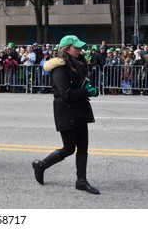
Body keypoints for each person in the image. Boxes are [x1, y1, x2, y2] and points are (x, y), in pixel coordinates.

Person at [32, 35, 100, 194]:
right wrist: (85, 91)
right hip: (66, 110)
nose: (80, 50)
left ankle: (81, 181)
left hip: (80, 109)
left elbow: (77, 85)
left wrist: (88, 87)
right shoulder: (60, 67)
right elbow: (66, 94)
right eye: (76, 47)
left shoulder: (78, 64)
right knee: (69, 148)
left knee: (83, 146)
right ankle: (41, 165)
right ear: (67, 49)